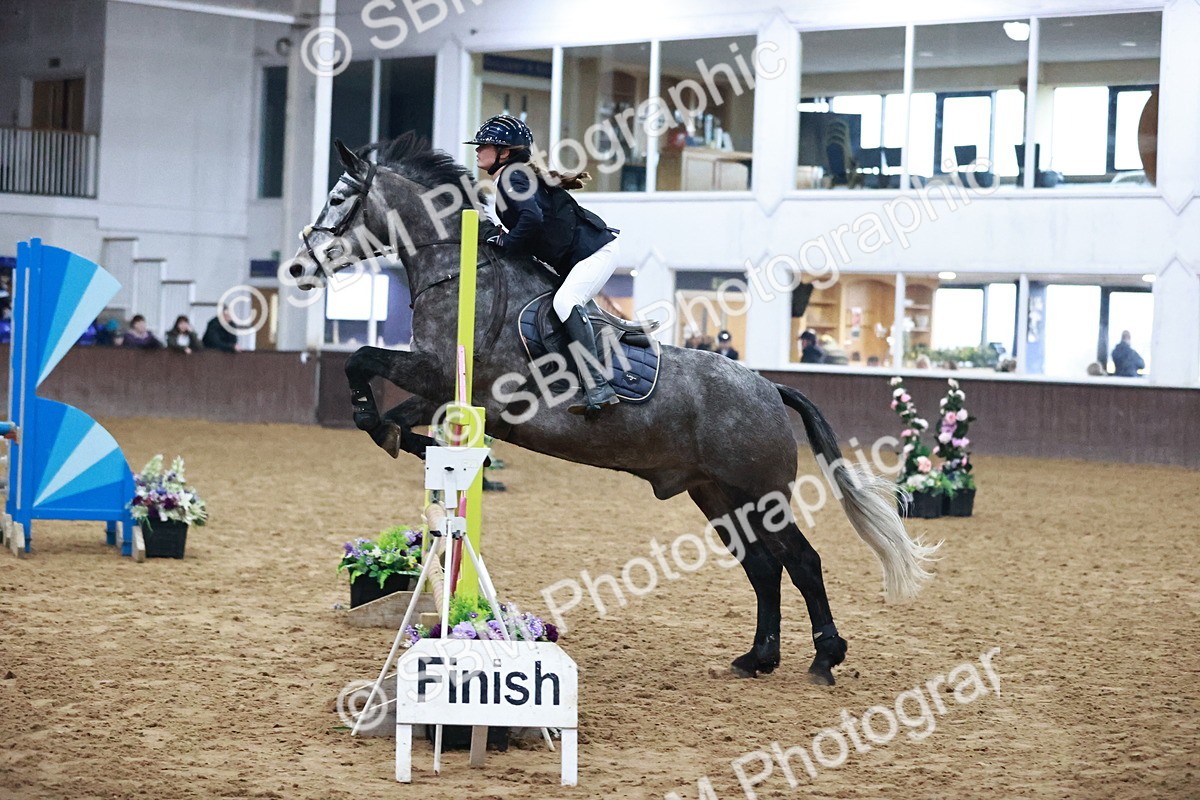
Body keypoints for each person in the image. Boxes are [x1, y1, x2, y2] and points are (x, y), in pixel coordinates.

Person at [468, 114, 620, 416]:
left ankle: (598, 386)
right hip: (581, 256)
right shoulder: (514, 176)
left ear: (504, 153)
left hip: (595, 253)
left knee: (565, 302)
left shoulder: (512, 177)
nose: (478, 150)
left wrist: (505, 242)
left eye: (484, 145)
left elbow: (532, 218)